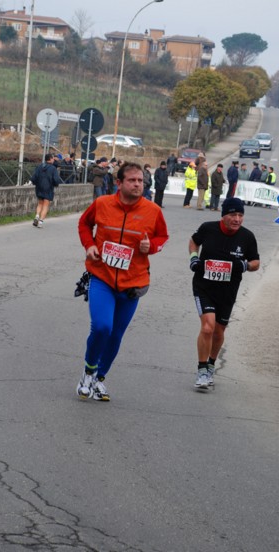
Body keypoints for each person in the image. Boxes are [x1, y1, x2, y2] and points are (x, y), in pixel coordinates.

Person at [76, 162, 169, 401]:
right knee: (102, 326)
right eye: (132, 180)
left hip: (132, 283)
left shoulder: (153, 210)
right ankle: (88, 371)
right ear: (119, 183)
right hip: (102, 277)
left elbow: (162, 236)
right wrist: (90, 246)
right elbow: (84, 224)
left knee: (116, 334)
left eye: (140, 181)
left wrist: (153, 247)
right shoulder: (102, 204)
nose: (138, 184)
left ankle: (99, 379)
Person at [188, 197, 260, 390]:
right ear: (224, 215)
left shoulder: (247, 237)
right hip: (204, 287)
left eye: (240, 215)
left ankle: (211, 364)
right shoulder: (208, 228)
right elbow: (194, 243)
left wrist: (245, 265)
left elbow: (256, 262)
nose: (237, 219)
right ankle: (202, 370)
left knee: (219, 331)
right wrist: (194, 259)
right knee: (207, 327)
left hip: (228, 291)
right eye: (233, 215)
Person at [30, 153, 62, 227]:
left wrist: (36, 183)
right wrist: (56, 184)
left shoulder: (39, 166)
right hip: (48, 188)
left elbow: (34, 178)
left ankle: (37, 216)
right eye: (53, 158)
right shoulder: (53, 168)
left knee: (40, 203)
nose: (54, 159)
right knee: (45, 205)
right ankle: (40, 222)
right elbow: (56, 180)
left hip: (39, 187)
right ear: (50, 159)